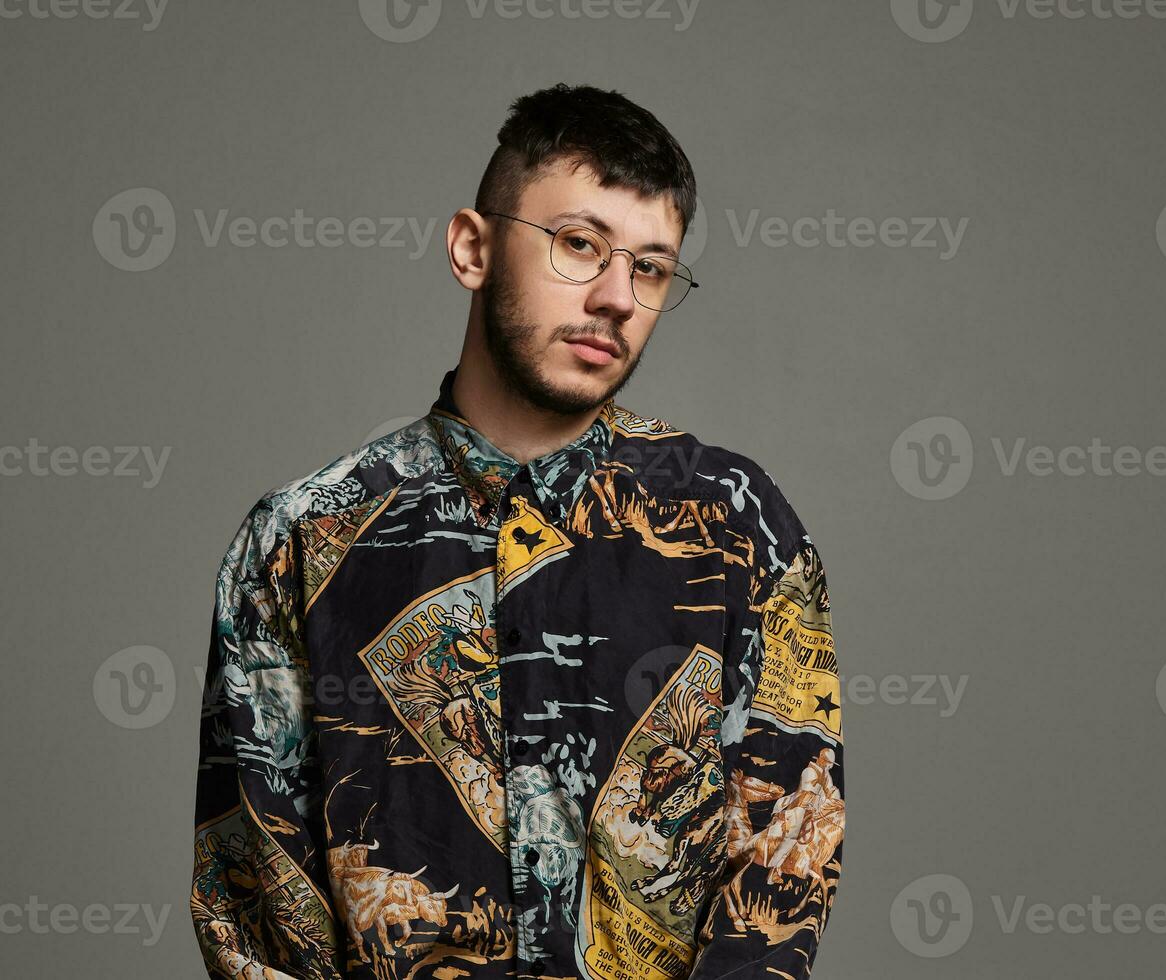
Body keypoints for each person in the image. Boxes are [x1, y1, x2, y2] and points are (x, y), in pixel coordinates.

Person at [189, 82, 845, 980]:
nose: (617, 295)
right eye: (580, 245)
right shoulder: (299, 542)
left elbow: (784, 860)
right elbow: (259, 913)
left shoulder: (735, 520)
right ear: (472, 248)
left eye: (650, 267)